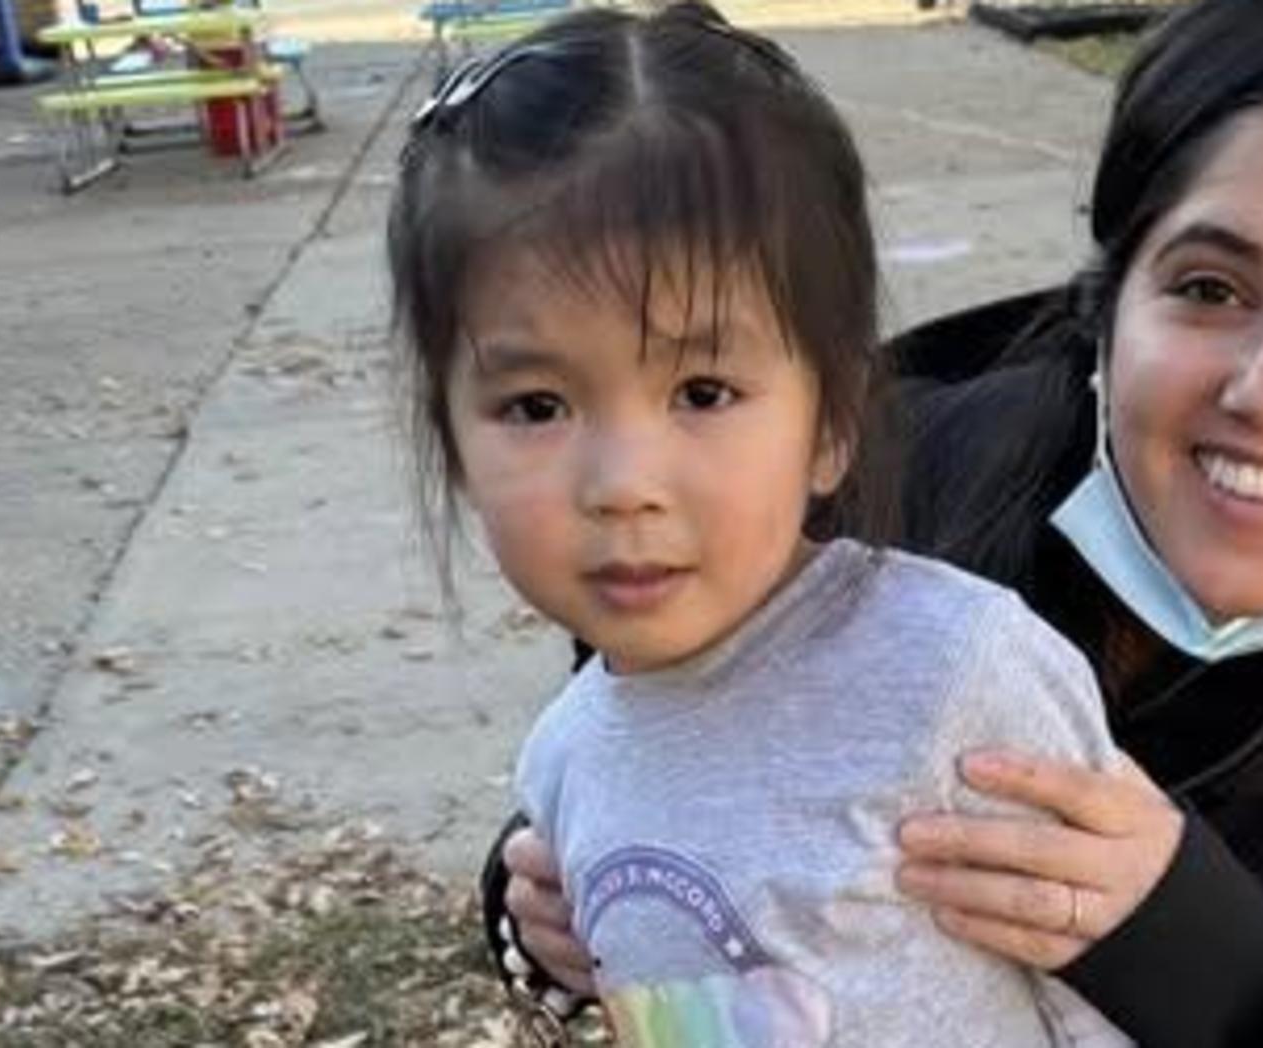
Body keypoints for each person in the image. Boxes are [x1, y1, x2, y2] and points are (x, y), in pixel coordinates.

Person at [485, 0, 1263, 1044]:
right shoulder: (853, 491)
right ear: (1108, 301)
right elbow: (636, 719)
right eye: (1208, 287)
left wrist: (1197, 943)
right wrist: (537, 901)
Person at [389, 4, 1133, 1044]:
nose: (621, 483)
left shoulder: (956, 675)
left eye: (700, 391)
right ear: (454, 440)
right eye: (536, 407)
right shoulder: (564, 759)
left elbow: (1111, 996)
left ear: (829, 418)